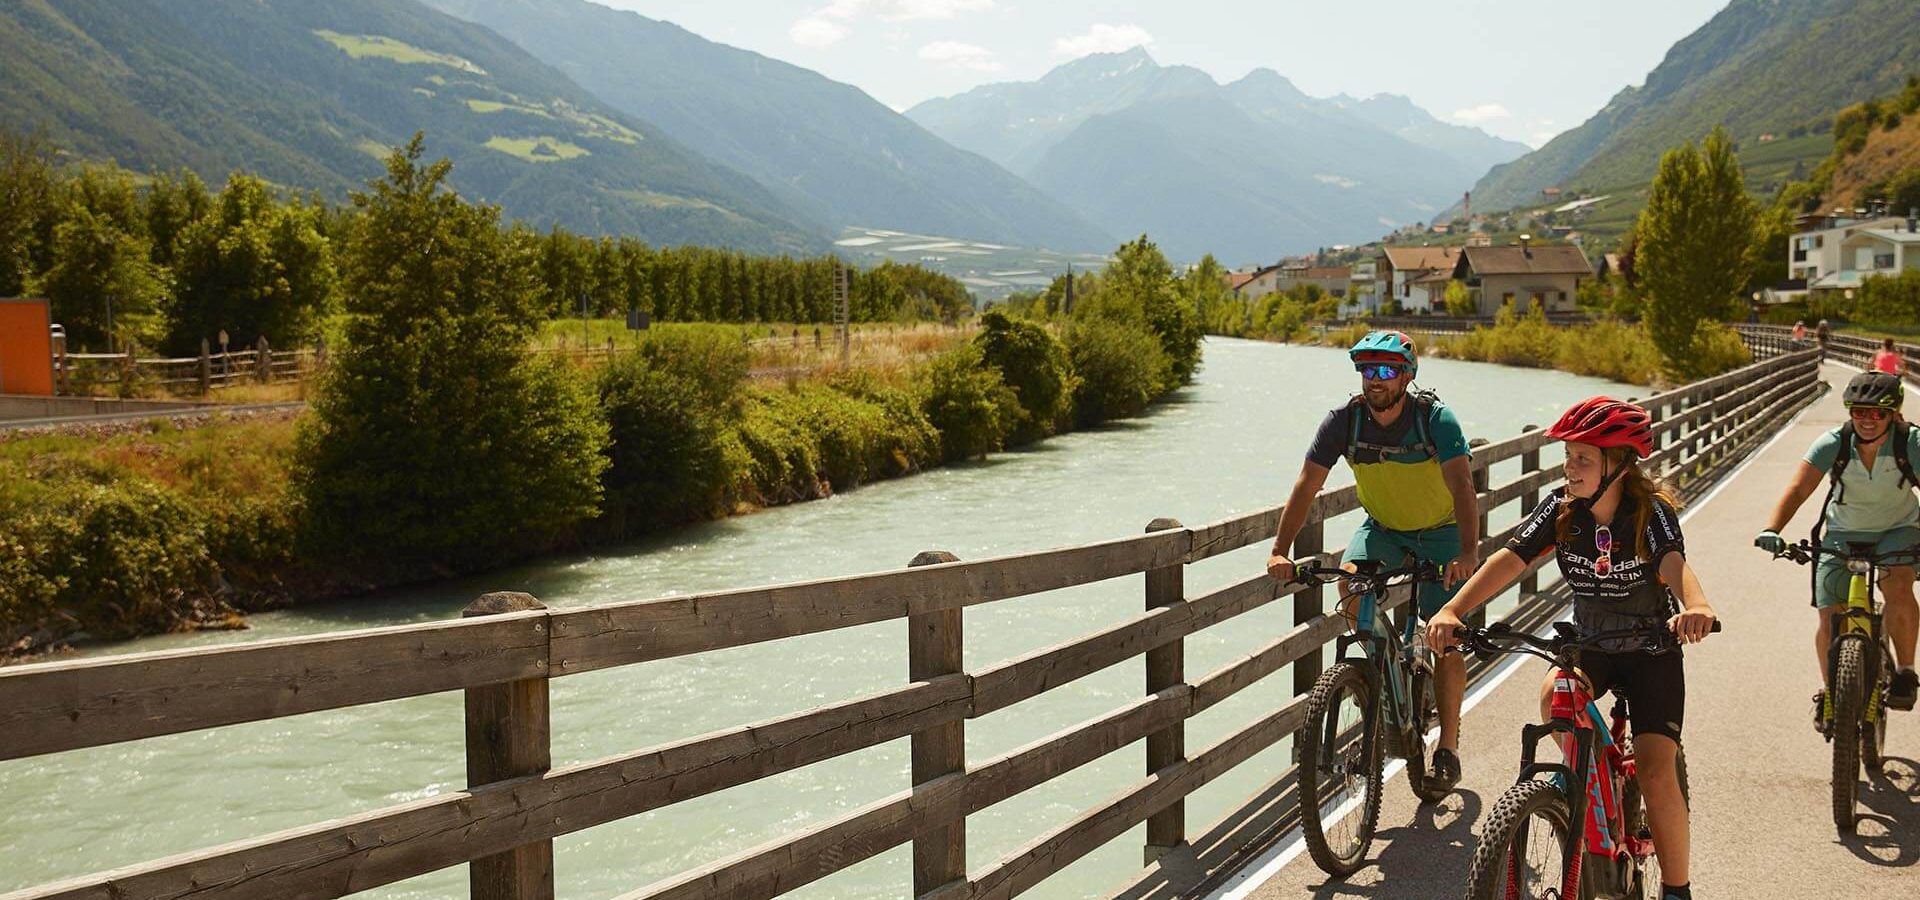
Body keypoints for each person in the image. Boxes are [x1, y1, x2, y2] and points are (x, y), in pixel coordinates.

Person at [1428, 397, 1717, 900]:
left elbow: (1673, 563)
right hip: (1592, 644)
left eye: (1582, 459)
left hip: (1651, 651)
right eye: (1568, 458)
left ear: (1618, 464)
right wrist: (1453, 609)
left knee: (1653, 769)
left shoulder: (1650, 513)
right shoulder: (1561, 512)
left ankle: (1677, 889)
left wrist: (1696, 604)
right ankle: (1585, 792)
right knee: (1554, 694)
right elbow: (1510, 557)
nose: (1570, 468)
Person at [1266, 330, 1479, 790]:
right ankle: (1379, 669)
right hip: (1383, 530)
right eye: (1367, 370)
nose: (1374, 379)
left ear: (1406, 376)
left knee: (1448, 635)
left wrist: (1467, 552)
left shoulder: (1436, 421)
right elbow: (1307, 485)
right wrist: (1280, 549)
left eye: (1385, 370)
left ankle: (1448, 747)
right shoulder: (1345, 421)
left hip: (1442, 533)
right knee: (1349, 585)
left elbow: (1464, 486)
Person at [1754, 371, 1920, 715]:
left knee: (1899, 586)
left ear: (1893, 414)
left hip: (1898, 529)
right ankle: (1831, 691)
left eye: (1877, 413)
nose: (1867, 420)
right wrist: (1772, 529)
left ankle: (1905, 672)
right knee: (1830, 617)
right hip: (1842, 534)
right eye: (1859, 412)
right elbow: (1799, 488)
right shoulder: (1834, 442)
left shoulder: (1911, 443)